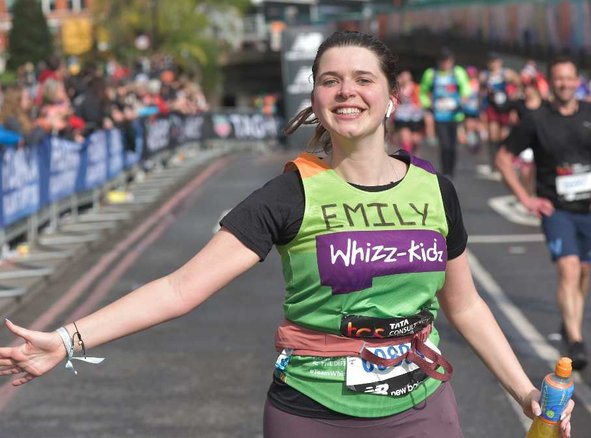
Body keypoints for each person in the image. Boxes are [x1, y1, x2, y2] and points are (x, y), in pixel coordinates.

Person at [0, 31, 573, 438]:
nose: (347, 90)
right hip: (312, 412)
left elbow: (466, 307)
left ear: (392, 99)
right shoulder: (290, 193)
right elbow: (180, 289)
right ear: (318, 101)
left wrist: (525, 394)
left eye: (362, 79)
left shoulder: (435, 191)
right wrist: (68, 339)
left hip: (420, 411)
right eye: (330, 81)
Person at [496, 56, 591, 372]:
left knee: (584, 273)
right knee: (569, 269)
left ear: (578, 81)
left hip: (588, 210)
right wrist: (526, 198)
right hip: (557, 209)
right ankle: (576, 341)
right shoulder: (537, 119)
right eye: (558, 79)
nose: (565, 84)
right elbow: (504, 158)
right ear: (550, 83)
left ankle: (570, 322)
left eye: (569, 78)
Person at [419, 48, 470, 178]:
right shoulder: (431, 74)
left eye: (447, 60)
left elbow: (466, 89)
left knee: (452, 145)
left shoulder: (458, 72)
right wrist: (428, 105)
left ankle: (451, 170)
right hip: (440, 115)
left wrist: (460, 102)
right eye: (442, 60)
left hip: (455, 115)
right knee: (444, 144)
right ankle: (445, 171)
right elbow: (423, 91)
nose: (445, 63)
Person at [480, 52, 520, 175]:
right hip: (491, 107)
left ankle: (505, 160)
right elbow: (480, 92)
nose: (493, 64)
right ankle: (494, 162)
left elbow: (518, 82)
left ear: (500, 62)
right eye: (491, 62)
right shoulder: (484, 75)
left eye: (495, 61)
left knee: (504, 135)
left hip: (504, 107)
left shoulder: (506, 73)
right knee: (493, 135)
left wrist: (514, 96)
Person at [388, 70, 424, 154]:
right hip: (402, 118)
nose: (403, 78)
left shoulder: (416, 87)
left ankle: (415, 157)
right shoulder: (398, 89)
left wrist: (419, 105)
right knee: (405, 137)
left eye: (405, 76)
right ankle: (408, 159)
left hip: (415, 118)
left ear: (409, 77)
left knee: (415, 140)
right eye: (402, 76)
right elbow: (392, 99)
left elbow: (423, 100)